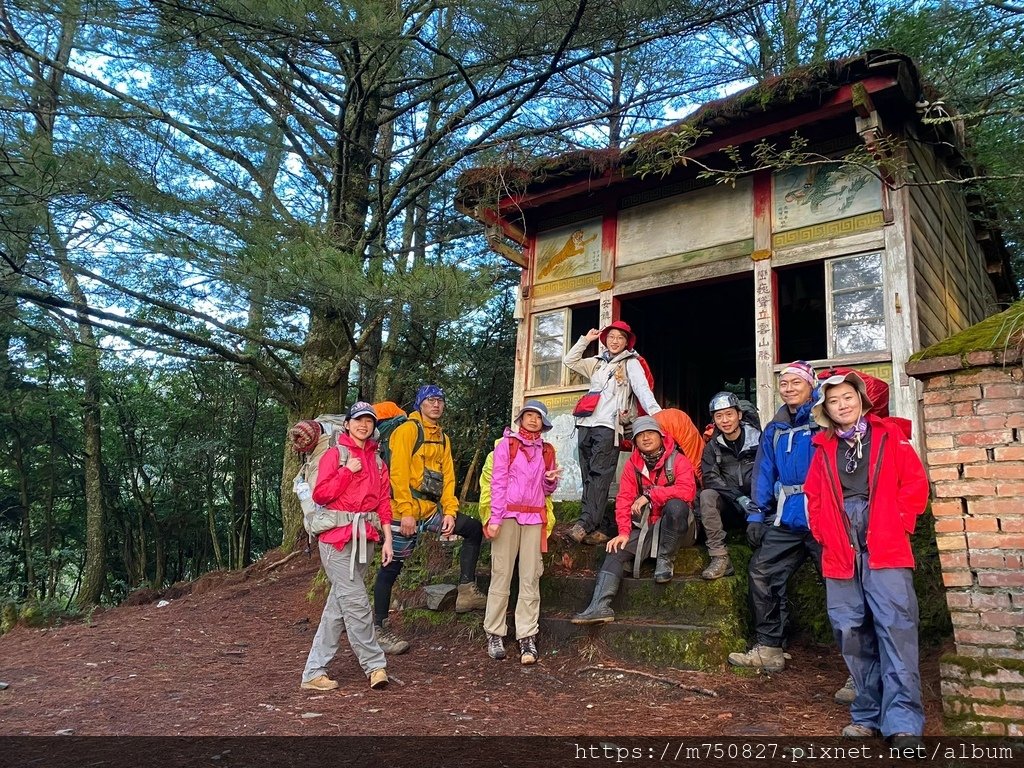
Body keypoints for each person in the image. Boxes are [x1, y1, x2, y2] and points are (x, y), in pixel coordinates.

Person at [804, 372, 929, 747]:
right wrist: (824, 532)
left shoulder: (890, 434)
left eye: (847, 397)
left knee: (895, 626)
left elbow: (915, 484)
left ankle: (903, 722)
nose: (842, 405)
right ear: (825, 409)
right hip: (841, 544)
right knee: (850, 630)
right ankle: (866, 714)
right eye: (833, 401)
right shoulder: (823, 446)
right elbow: (814, 495)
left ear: (860, 398)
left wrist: (901, 522)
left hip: (885, 540)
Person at [372, 384, 487, 654]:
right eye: (430, 400)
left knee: (472, 529)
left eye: (440, 401)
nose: (436, 405)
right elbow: (397, 474)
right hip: (403, 511)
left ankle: (467, 591)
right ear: (420, 404)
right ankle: (378, 627)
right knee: (392, 566)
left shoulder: (443, 438)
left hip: (431, 510)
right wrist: (407, 511)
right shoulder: (407, 431)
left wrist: (449, 510)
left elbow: (448, 477)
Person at [728, 361, 820, 671]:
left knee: (843, 586)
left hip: (824, 516)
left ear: (811, 385)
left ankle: (860, 670)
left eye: (796, 382)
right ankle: (769, 648)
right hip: (789, 517)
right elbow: (764, 472)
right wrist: (756, 515)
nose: (790, 388)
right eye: (784, 384)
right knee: (762, 570)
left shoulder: (824, 419)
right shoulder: (776, 428)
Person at [300, 402, 392, 692]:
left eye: (369, 421)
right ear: (348, 424)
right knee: (356, 604)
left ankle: (313, 672)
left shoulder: (377, 461)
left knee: (338, 608)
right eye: (358, 420)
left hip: (365, 538)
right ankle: (375, 666)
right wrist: (347, 471)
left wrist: (388, 538)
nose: (364, 425)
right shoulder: (335, 454)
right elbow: (321, 494)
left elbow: (384, 503)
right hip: (335, 540)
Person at [571, 416, 696, 624]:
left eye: (650, 433)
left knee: (676, 506)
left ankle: (665, 560)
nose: (646, 438)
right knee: (616, 549)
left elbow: (687, 491)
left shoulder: (678, 460)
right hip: (648, 526)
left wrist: (650, 495)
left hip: (679, 527)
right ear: (635, 442)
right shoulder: (633, 466)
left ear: (660, 435)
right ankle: (599, 606)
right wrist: (623, 532)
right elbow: (623, 499)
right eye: (640, 436)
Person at [562, 320, 661, 545]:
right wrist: (586, 340)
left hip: (610, 426)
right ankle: (595, 525)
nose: (615, 341)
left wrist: (658, 415)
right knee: (588, 474)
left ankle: (584, 523)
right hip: (585, 423)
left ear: (627, 342)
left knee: (599, 474)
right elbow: (569, 361)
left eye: (620, 338)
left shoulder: (631, 363)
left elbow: (642, 390)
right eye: (611, 337)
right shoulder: (596, 363)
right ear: (605, 340)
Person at [482, 400, 561, 664]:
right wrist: (494, 518)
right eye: (528, 415)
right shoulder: (507, 445)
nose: (532, 420)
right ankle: (494, 632)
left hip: (534, 517)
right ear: (520, 419)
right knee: (501, 574)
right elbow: (498, 481)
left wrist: (551, 482)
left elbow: (547, 488)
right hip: (507, 515)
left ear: (543, 423)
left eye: (537, 417)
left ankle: (527, 636)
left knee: (530, 577)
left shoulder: (547, 451)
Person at [698, 392, 761, 580]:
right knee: (707, 495)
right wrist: (737, 498)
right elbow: (710, 477)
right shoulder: (712, 447)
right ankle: (719, 556)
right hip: (730, 506)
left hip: (758, 505)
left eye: (729, 414)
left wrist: (757, 506)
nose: (725, 420)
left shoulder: (760, 440)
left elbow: (769, 473)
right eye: (719, 416)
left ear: (739, 415)